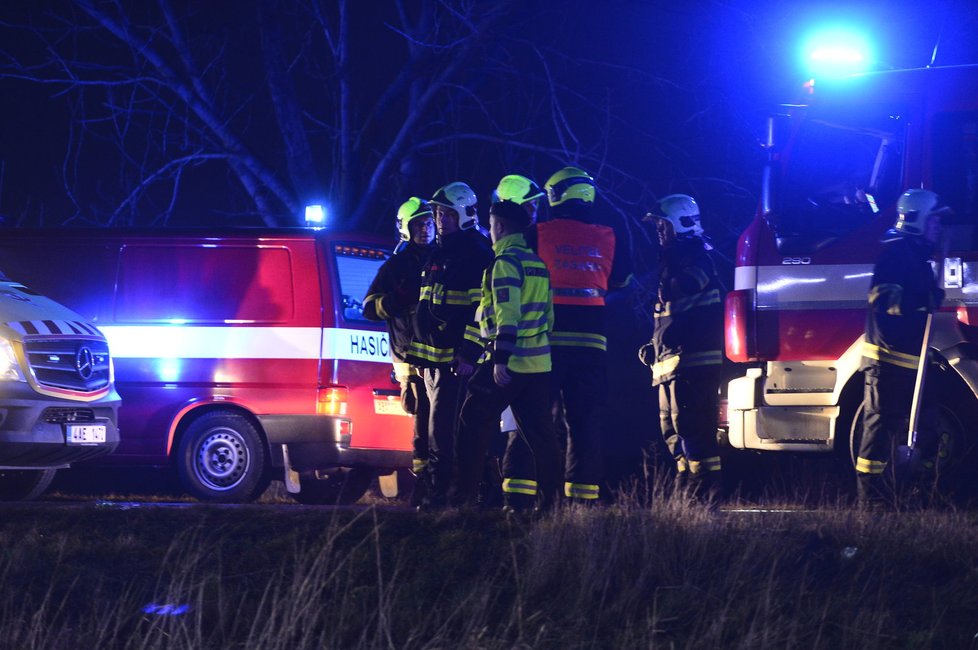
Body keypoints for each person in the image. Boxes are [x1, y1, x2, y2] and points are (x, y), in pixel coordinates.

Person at [454, 199, 562, 512]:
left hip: (508, 363)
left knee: (472, 421)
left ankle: (464, 500)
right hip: (538, 363)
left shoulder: (504, 263)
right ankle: (553, 505)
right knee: (541, 435)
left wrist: (501, 357)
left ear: (499, 226)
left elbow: (506, 312)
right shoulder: (537, 263)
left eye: (490, 225)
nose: (489, 231)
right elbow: (549, 318)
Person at [537, 166, 632, 504]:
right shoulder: (609, 236)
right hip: (592, 345)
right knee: (585, 422)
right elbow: (621, 283)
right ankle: (583, 499)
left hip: (545, 344)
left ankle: (537, 497)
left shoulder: (539, 233)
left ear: (558, 195)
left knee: (537, 420)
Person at [857, 188, 947, 507]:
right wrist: (923, 300)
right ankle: (872, 501)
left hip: (914, 361)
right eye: (934, 220)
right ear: (918, 220)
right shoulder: (896, 252)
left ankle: (919, 492)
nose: (938, 227)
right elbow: (883, 299)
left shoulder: (917, 254)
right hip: (888, 359)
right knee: (879, 431)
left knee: (930, 428)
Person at [410, 181, 493, 509]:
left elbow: (482, 308)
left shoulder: (476, 252)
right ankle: (449, 491)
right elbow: (426, 305)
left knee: (446, 431)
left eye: (446, 213)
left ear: (464, 215)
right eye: (438, 213)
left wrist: (470, 352)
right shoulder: (439, 252)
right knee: (438, 429)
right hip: (433, 360)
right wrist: (418, 352)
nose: (440, 219)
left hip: (458, 361)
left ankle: (445, 494)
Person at [639, 194, 723, 501]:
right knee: (671, 430)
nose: (659, 232)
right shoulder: (672, 263)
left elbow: (687, 288)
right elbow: (671, 315)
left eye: (663, 225)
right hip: (670, 362)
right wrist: (654, 345)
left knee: (694, 428)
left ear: (681, 225)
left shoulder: (699, 259)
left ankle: (706, 496)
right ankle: (686, 494)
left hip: (695, 362)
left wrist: (671, 261)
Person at [363, 197, 436, 505]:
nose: (426, 229)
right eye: (419, 224)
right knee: (421, 423)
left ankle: (443, 482)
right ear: (407, 229)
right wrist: (393, 300)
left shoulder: (444, 257)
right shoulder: (395, 266)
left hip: (439, 356)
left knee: (442, 423)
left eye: (429, 222)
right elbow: (369, 307)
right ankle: (422, 485)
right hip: (408, 358)